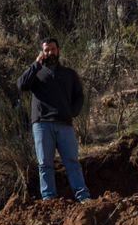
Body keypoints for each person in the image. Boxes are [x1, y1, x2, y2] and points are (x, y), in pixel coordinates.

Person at [15, 38, 91, 201]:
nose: (50, 52)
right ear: (42, 52)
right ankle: (49, 198)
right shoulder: (36, 72)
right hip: (42, 124)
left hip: (65, 124)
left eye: (53, 49)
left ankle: (83, 196)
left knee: (72, 162)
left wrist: (72, 112)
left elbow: (79, 96)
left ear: (58, 50)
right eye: (46, 50)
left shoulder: (69, 74)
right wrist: (36, 64)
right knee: (45, 164)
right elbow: (21, 85)